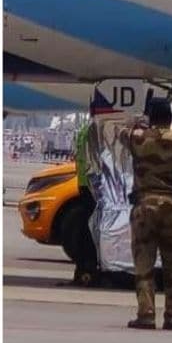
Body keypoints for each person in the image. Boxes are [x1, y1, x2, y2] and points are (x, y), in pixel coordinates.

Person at [119, 98, 172, 330]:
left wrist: (139, 121)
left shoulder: (138, 138)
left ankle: (146, 313)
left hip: (145, 206)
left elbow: (122, 132)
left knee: (143, 264)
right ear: (170, 118)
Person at [69, 119, 100, 286]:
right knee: (91, 231)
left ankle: (84, 269)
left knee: (85, 229)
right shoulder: (94, 131)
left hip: (83, 184)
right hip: (91, 187)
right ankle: (88, 269)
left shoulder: (83, 130)